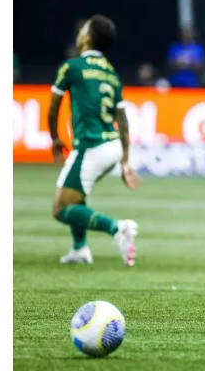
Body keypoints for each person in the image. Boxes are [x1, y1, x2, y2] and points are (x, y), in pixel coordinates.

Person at [48, 15, 141, 266]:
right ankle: (80, 248)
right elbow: (123, 121)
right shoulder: (111, 74)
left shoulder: (72, 67)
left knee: (61, 209)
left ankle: (117, 228)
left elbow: (53, 109)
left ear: (87, 38)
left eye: (84, 29)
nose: (80, 32)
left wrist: (55, 138)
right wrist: (124, 161)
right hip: (111, 146)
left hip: (91, 145)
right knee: (76, 195)